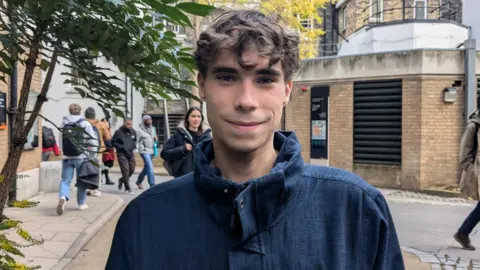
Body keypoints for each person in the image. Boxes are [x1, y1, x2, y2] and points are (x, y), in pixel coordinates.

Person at [106, 10, 404, 269]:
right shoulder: (145, 220)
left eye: (265, 79)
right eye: (226, 77)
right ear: (202, 86)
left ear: (287, 90)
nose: (246, 101)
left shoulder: (356, 210)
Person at [56, 104, 97, 215]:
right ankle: (81, 204)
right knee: (82, 180)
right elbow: (91, 141)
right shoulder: (84, 123)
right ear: (80, 111)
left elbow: (60, 139)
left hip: (67, 157)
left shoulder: (64, 123)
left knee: (65, 180)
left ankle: (63, 197)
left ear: (69, 111)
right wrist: (92, 154)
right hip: (81, 157)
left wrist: (62, 151)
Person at [160, 107, 212, 177]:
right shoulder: (179, 134)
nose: (196, 119)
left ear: (201, 119)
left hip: (202, 178)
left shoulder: (207, 136)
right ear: (187, 118)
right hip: (183, 178)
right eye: (193, 116)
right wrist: (182, 149)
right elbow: (164, 153)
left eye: (199, 116)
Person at [455, 107, 480, 250]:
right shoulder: (473, 126)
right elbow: (464, 155)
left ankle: (463, 233)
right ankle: (463, 233)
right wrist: (473, 171)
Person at [84, 107, 114, 196]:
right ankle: (96, 188)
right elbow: (108, 137)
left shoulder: (81, 123)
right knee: (97, 168)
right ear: (94, 115)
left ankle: (86, 187)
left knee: (85, 168)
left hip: (84, 149)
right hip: (97, 149)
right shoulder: (101, 124)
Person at [112, 119, 137, 194]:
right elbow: (113, 142)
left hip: (130, 153)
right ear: (124, 123)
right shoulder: (118, 132)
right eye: (128, 124)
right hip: (121, 154)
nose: (129, 126)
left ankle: (122, 180)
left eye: (131, 124)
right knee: (125, 171)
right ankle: (127, 188)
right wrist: (122, 147)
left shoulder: (133, 131)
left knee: (132, 170)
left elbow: (135, 140)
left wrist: (133, 146)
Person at [135, 115, 156, 189]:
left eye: (150, 119)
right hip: (144, 151)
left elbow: (153, 139)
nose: (150, 121)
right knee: (150, 166)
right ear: (144, 121)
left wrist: (155, 139)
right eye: (148, 120)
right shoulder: (139, 130)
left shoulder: (152, 129)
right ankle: (152, 184)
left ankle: (139, 182)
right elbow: (136, 141)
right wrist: (137, 149)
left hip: (151, 150)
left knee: (146, 167)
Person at [101, 118, 116, 185]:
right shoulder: (102, 131)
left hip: (110, 149)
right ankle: (107, 179)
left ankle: (100, 173)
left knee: (110, 164)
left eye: (106, 122)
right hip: (105, 149)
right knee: (106, 164)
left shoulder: (109, 131)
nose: (106, 123)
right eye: (104, 122)